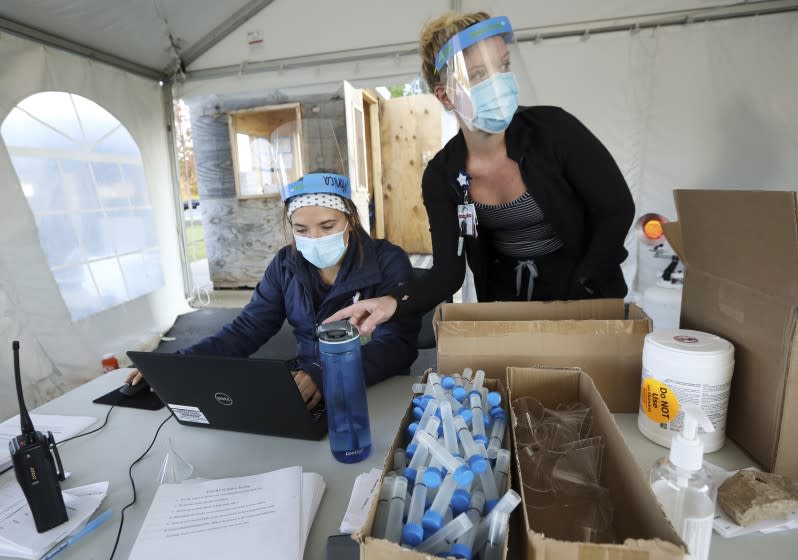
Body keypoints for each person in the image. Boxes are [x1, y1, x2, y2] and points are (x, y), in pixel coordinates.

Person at [327, 11, 634, 335]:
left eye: (502, 66)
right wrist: (392, 301)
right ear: (445, 96)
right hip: (508, 307)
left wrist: (584, 285)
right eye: (477, 74)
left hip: (587, 296)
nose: (498, 82)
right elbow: (448, 273)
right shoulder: (443, 176)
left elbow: (616, 210)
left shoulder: (554, 131)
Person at [126, 161, 420, 410]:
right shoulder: (286, 264)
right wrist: (179, 365)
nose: (314, 238)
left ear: (351, 220)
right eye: (301, 229)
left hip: (374, 386)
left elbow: (395, 347)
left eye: (327, 226)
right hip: (304, 387)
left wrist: (323, 373)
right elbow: (247, 328)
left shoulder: (387, 262)